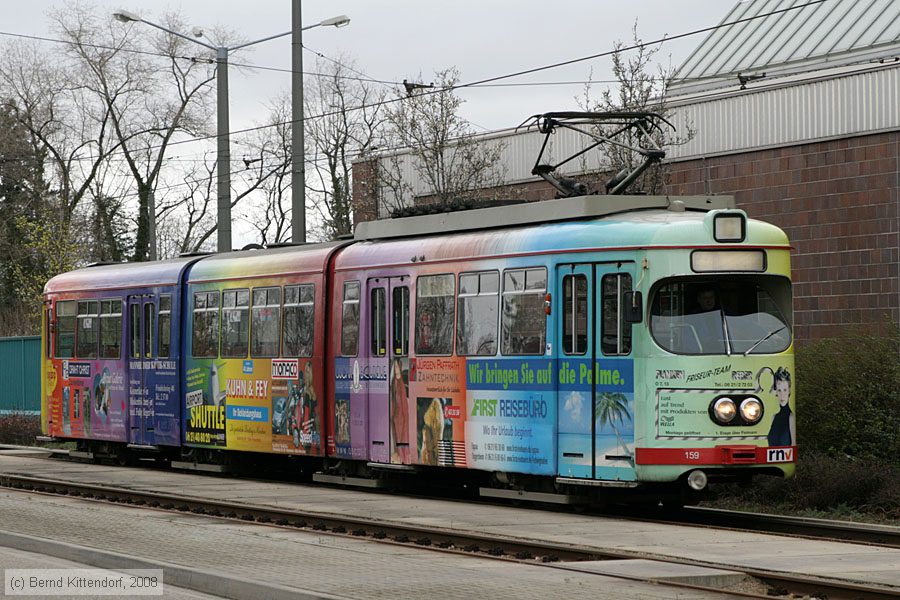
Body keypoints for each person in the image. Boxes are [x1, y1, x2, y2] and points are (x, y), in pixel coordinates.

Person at [767, 367, 795, 446]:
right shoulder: (774, 417)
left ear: (789, 391)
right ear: (776, 392)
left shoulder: (791, 417)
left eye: (785, 390)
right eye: (779, 390)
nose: (782, 395)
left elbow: (793, 446)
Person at [390, 358, 410, 463]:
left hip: (400, 416)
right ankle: (401, 455)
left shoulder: (399, 383)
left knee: (402, 435)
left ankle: (402, 456)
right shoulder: (396, 383)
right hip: (399, 416)